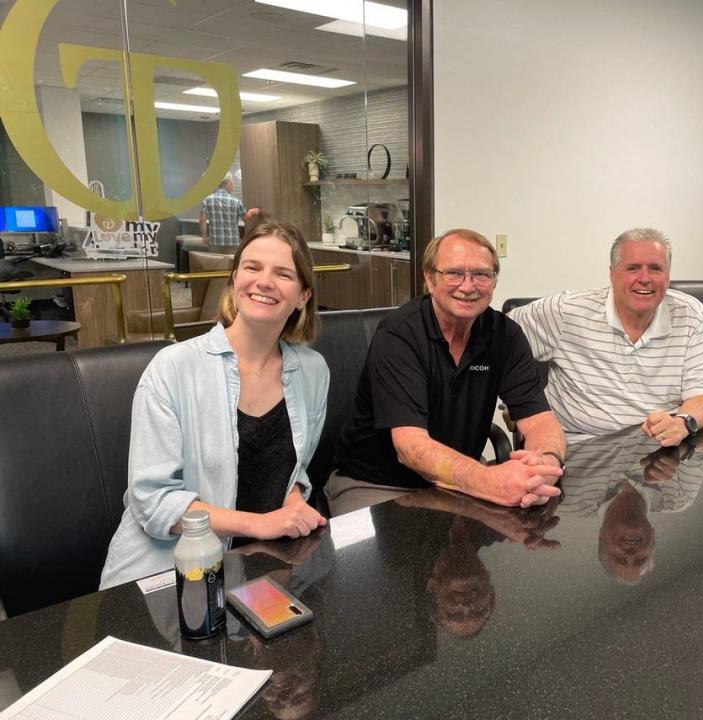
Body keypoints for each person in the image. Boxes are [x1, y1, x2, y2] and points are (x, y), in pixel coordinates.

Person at [100, 219, 329, 589]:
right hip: (169, 574)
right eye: (252, 268)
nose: (264, 282)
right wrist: (258, 523)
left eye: (283, 274)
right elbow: (153, 501)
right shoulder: (173, 367)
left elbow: (293, 467)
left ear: (303, 295)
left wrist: (293, 499)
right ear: (235, 278)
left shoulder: (313, 372)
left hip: (264, 567)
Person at [328, 228, 565, 515]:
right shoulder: (399, 335)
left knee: (523, 538)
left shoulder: (505, 334)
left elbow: (539, 420)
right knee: (403, 558)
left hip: (456, 480)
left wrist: (547, 465)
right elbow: (410, 447)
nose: (468, 286)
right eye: (454, 273)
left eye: (481, 275)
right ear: (429, 279)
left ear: (493, 282)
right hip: (378, 485)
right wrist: (490, 479)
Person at [508, 227, 703, 444]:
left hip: (659, 450)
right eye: (633, 268)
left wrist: (682, 423)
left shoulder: (690, 313)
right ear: (612, 273)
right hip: (581, 451)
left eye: (655, 268)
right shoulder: (565, 312)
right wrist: (519, 405)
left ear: (668, 274)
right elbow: (495, 336)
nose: (644, 278)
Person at [200, 172, 245, 248]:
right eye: (232, 184)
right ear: (228, 183)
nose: (233, 186)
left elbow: (202, 220)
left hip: (215, 242)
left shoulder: (207, 200)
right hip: (233, 242)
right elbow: (246, 219)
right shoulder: (236, 201)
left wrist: (204, 237)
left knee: (216, 260)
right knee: (232, 260)